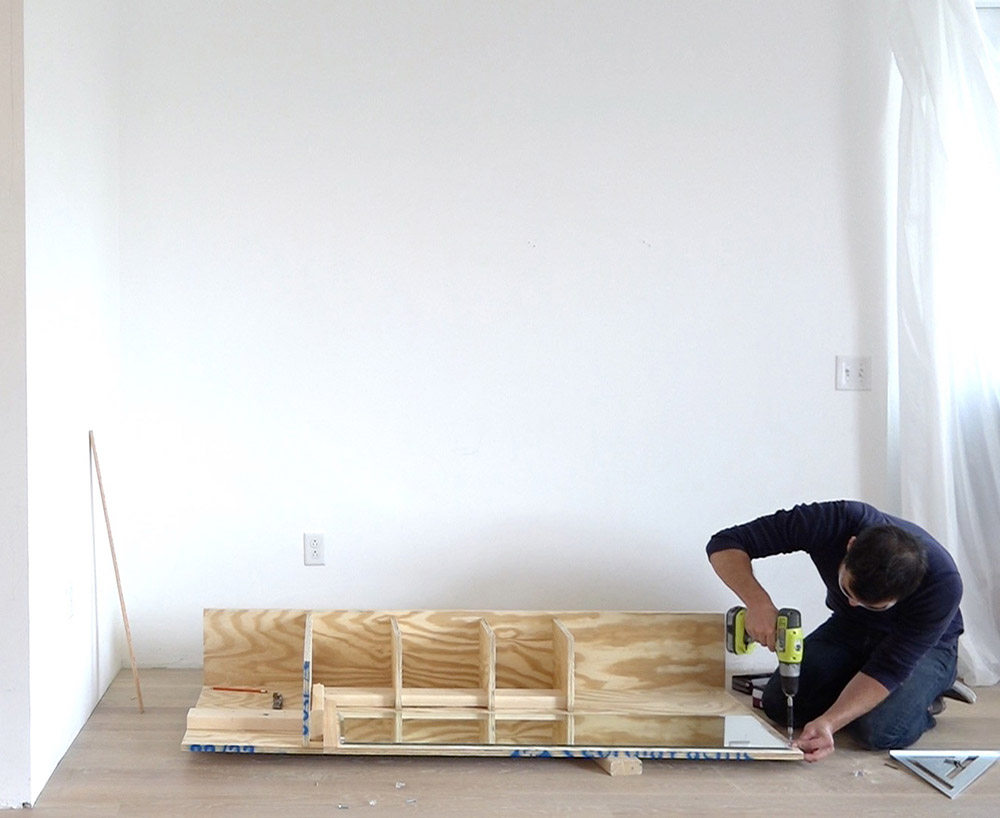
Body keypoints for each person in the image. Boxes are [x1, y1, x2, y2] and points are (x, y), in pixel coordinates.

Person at [706, 500, 963, 762]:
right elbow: (725, 543)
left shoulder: (942, 584)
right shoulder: (832, 521)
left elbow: (890, 667)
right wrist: (758, 603)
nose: (853, 604)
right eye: (847, 590)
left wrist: (829, 722)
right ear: (850, 546)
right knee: (778, 704)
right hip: (850, 627)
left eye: (871, 605)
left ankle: (927, 697)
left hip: (930, 647)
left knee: (879, 731)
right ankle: (863, 689)